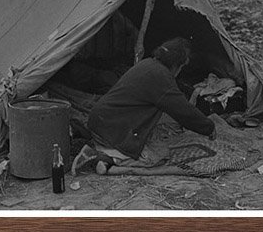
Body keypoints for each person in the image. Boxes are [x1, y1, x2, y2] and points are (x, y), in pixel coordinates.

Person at [72, 37, 216, 174]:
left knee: (152, 142)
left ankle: (103, 157)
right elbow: (183, 110)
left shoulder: (148, 64)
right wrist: (208, 127)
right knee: (159, 155)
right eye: (182, 67)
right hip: (111, 128)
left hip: (101, 123)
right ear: (176, 64)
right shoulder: (161, 77)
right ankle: (105, 157)